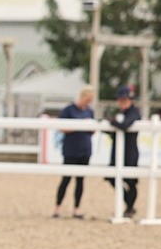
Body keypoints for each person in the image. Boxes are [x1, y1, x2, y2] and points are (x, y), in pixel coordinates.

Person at [53, 86, 96, 219]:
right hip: (71, 149)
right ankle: (57, 207)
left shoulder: (90, 111)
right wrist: (79, 126)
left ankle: (77, 208)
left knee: (80, 180)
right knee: (66, 179)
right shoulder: (69, 110)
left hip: (85, 149)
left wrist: (90, 127)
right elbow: (61, 127)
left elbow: (93, 130)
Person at [104, 86, 142, 217]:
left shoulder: (134, 112)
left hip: (129, 152)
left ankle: (130, 207)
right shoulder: (120, 113)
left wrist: (112, 122)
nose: (122, 102)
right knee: (112, 177)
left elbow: (125, 125)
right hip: (117, 151)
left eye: (125, 99)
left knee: (131, 181)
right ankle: (129, 205)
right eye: (120, 100)